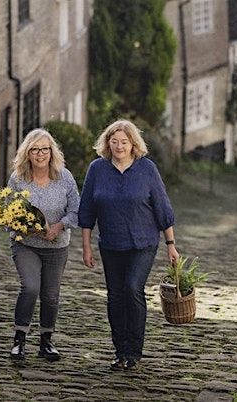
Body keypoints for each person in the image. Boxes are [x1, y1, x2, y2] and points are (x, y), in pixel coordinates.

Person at [78, 119, 179, 371]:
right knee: (115, 296)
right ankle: (120, 350)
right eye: (114, 141)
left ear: (133, 144)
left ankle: (134, 351)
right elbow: (87, 210)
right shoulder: (97, 169)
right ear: (107, 143)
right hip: (111, 243)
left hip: (142, 243)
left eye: (124, 142)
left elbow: (162, 208)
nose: (119, 146)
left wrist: (171, 243)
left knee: (133, 289)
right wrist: (86, 247)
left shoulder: (147, 169)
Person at [7, 128, 80, 361]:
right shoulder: (18, 178)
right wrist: (26, 227)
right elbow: (7, 214)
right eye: (35, 149)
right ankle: (19, 339)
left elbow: (76, 210)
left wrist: (58, 227)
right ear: (27, 153)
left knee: (50, 295)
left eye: (45, 149)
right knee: (30, 287)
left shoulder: (64, 177)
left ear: (52, 152)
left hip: (56, 246)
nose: (40, 154)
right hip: (26, 244)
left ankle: (46, 341)